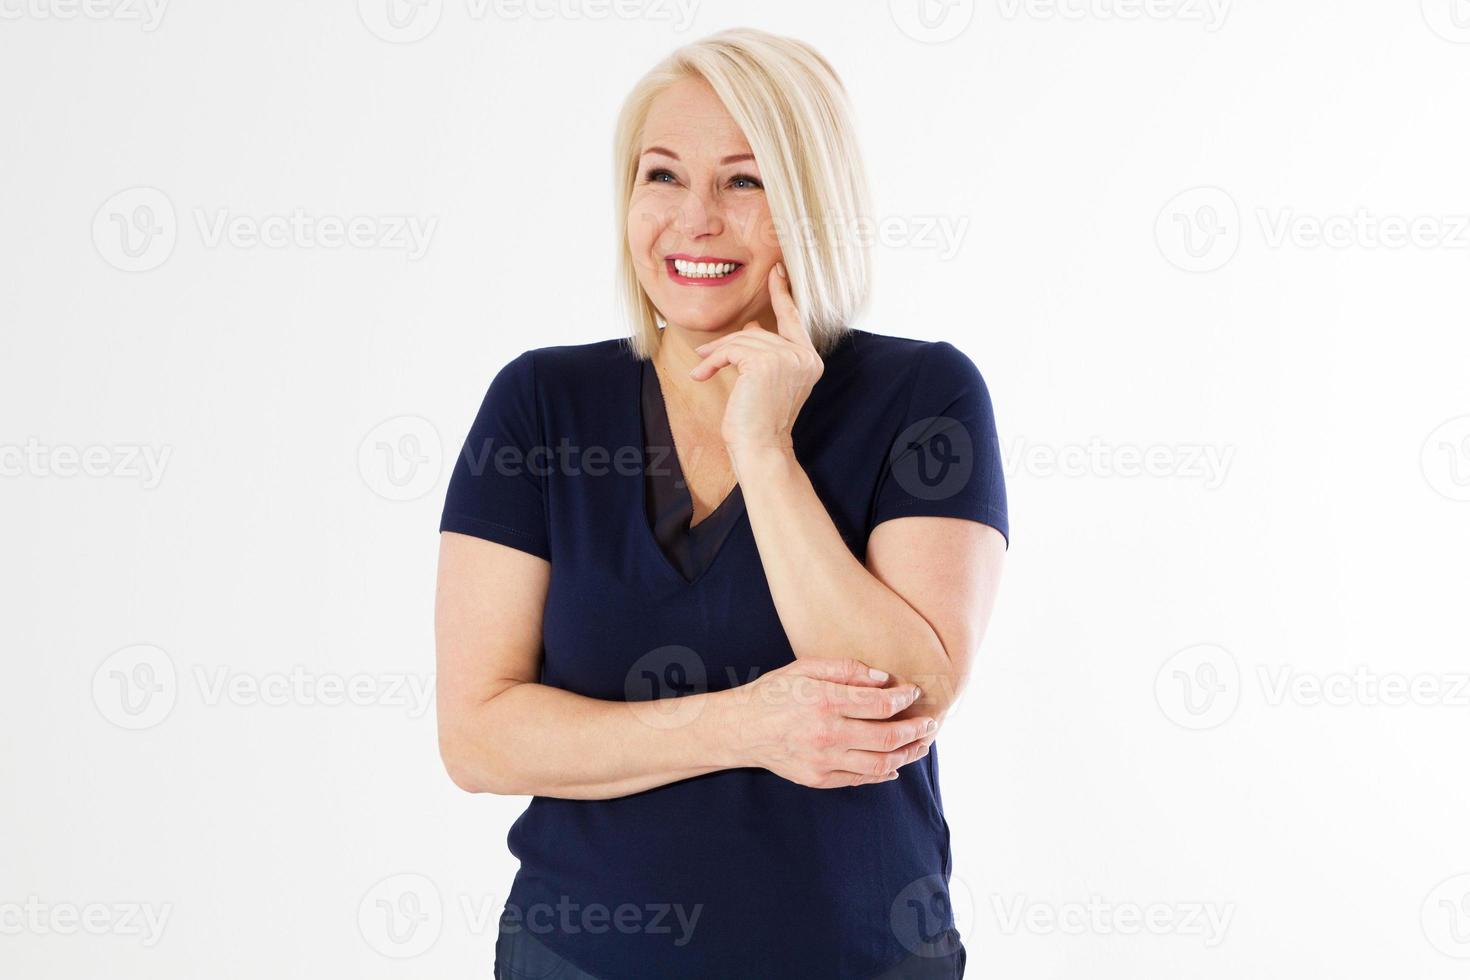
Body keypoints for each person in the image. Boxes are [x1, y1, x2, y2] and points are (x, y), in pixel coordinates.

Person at [434, 27, 1008, 980]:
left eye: (744, 182)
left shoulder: (923, 397)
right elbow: (479, 735)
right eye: (661, 176)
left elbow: (906, 692)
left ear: (813, 202)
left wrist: (764, 448)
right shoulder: (542, 404)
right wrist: (747, 723)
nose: (693, 219)